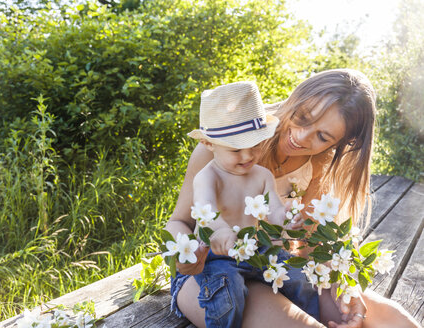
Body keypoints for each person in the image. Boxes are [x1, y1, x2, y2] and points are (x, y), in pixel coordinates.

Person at [166, 69, 421, 328]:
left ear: (340, 144)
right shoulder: (223, 144)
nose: (301, 137)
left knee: (388, 319)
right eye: (302, 117)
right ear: (295, 98)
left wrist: (340, 283)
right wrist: (187, 254)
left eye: (322, 136)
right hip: (211, 273)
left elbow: (307, 245)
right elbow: (178, 222)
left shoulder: (316, 164)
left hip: (274, 267)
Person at [172, 81, 320, 328]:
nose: (248, 156)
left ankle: (313, 316)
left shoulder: (261, 175)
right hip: (218, 255)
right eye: (236, 149)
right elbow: (205, 210)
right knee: (227, 294)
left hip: (256, 249)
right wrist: (219, 230)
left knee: (301, 279)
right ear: (209, 144)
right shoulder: (208, 177)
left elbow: (272, 208)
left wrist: (286, 219)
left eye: (255, 146)